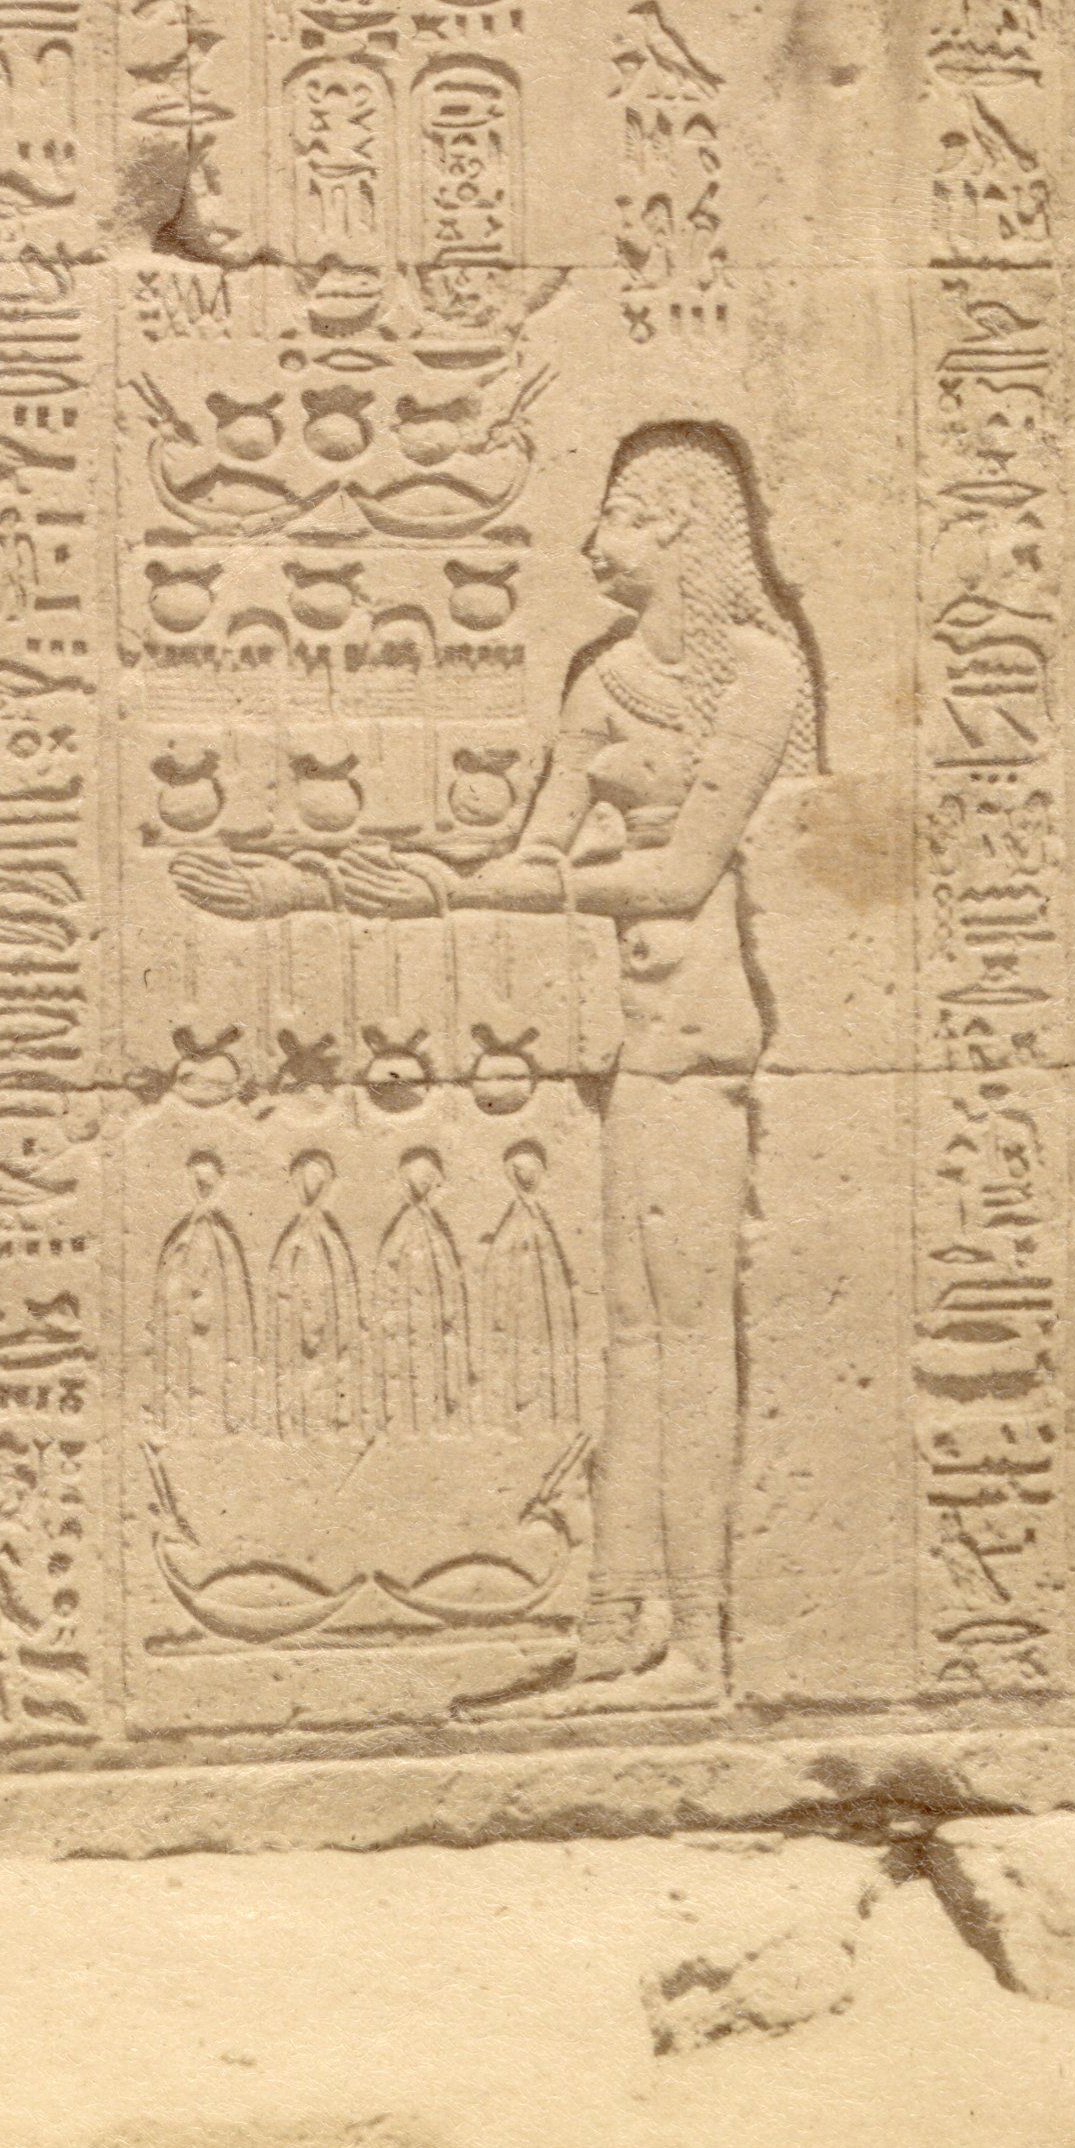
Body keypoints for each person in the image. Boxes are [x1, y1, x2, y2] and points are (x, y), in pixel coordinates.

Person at [192, 425, 818, 1706]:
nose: (594, 541)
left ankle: (701, 1647)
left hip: (710, 1033)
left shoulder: (758, 675)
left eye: (622, 516)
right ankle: (622, 1627)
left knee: (688, 1333)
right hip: (635, 1036)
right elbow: (540, 853)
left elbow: (679, 875)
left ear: (685, 531)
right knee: (634, 1333)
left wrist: (471, 893)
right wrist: (361, 883)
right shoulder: (604, 678)